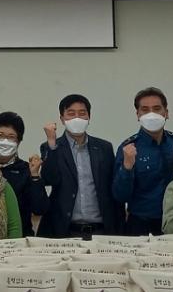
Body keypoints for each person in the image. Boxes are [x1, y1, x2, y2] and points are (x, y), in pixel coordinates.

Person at [39, 94, 121, 239]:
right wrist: (52, 143)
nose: (77, 118)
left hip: (101, 230)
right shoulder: (51, 147)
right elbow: (49, 179)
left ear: (89, 117)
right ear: (62, 119)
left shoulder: (104, 148)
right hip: (65, 230)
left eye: (82, 113)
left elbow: (112, 186)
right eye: (71, 113)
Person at [113, 87, 173, 236]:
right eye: (145, 110)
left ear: (166, 113)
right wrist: (127, 167)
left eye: (157, 109)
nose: (151, 114)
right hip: (140, 225)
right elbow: (120, 196)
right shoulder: (128, 148)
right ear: (138, 115)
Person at [0, 111, 49, 236]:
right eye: (0, 135)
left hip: (19, 238)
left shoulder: (26, 170)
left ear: (19, 141)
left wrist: (35, 176)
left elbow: (40, 208)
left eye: (11, 137)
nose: (5, 141)